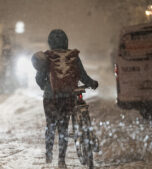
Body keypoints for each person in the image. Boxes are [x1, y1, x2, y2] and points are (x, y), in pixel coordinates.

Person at [32, 29, 98, 168]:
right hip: (68, 96)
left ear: (50, 42)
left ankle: (49, 153)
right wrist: (92, 83)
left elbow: (39, 78)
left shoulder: (47, 56)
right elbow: (83, 76)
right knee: (63, 128)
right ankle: (61, 160)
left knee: (50, 125)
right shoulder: (72, 56)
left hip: (51, 98)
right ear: (66, 41)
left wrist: (46, 87)